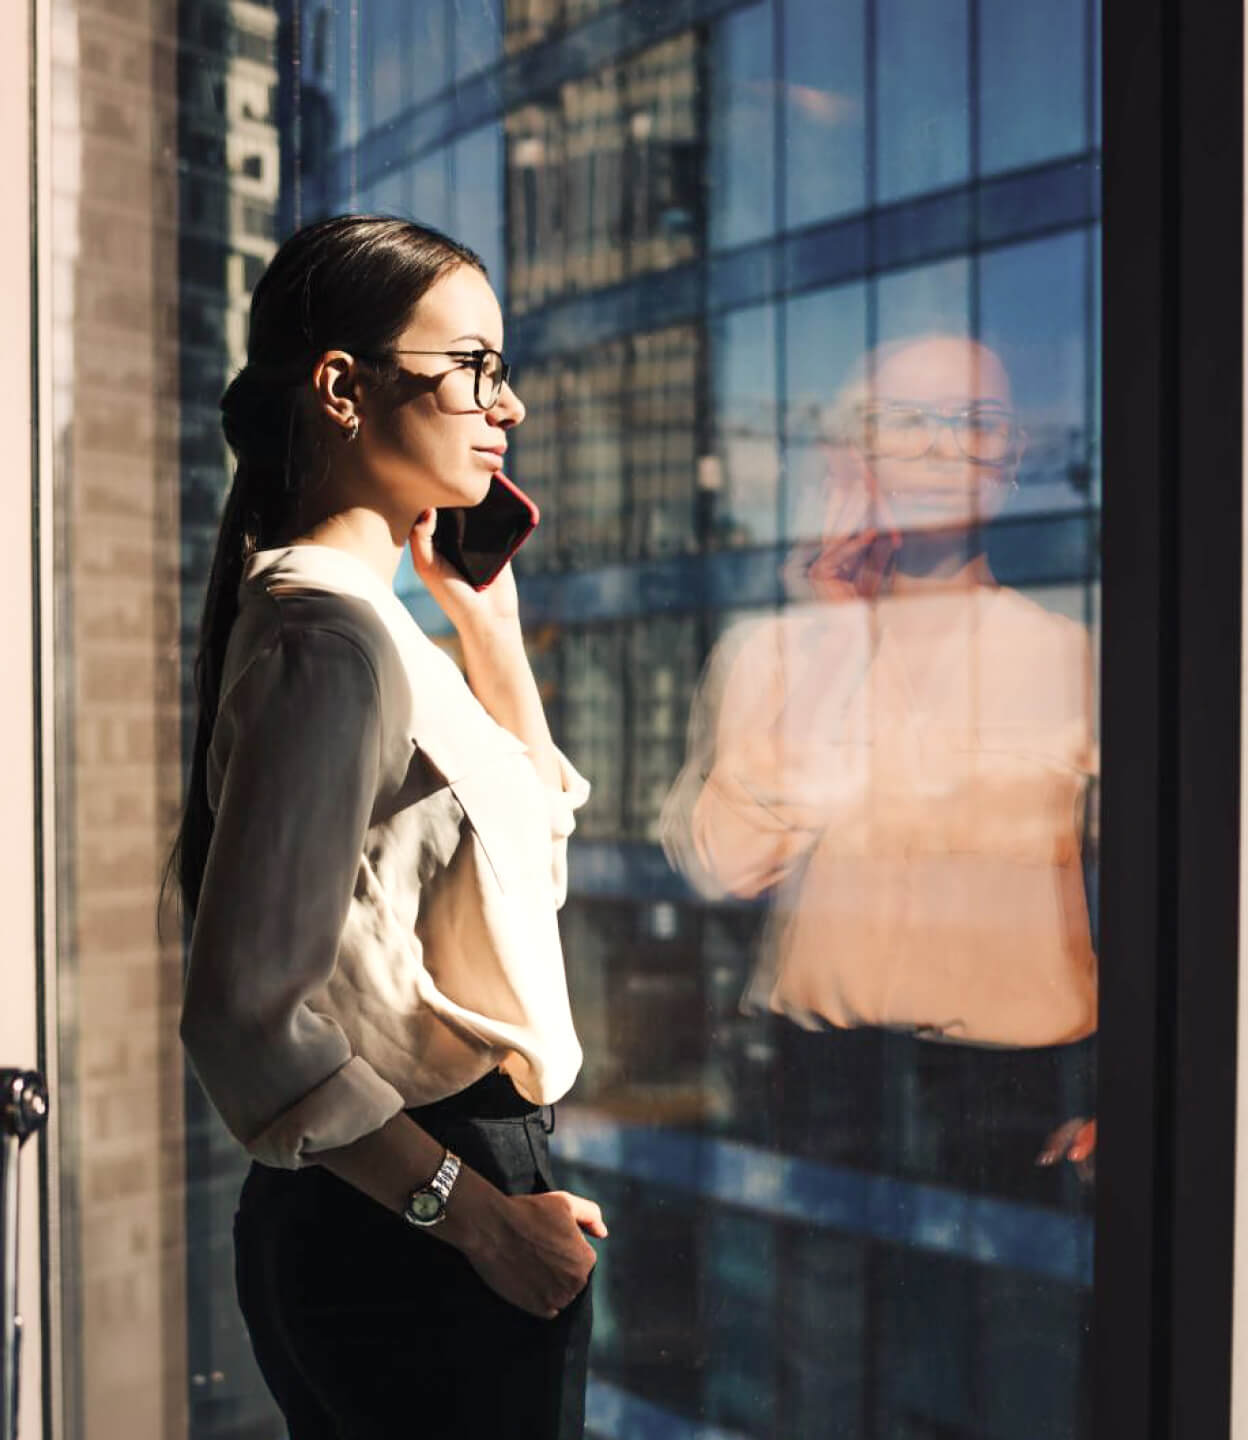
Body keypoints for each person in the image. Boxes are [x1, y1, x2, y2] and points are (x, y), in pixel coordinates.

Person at [172, 215, 606, 1439]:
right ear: (341, 387)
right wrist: (474, 1220)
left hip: (412, 1202)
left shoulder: (369, 626)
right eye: (473, 365)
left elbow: (531, 878)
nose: (505, 405)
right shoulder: (332, 638)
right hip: (409, 1217)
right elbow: (244, 1018)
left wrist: (490, 632)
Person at [661, 332, 1098, 1189]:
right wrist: (836, 639)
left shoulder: (1076, 659)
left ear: (1009, 457)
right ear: (849, 459)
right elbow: (723, 868)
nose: (942, 445)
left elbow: (1137, 893)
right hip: (815, 1098)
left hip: (1026, 1106)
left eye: (974, 422)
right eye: (907, 421)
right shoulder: (771, 657)